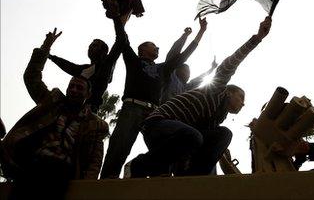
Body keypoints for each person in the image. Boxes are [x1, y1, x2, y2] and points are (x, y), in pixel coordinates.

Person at [129, 16, 272, 178]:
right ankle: (139, 165)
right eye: (241, 97)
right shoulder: (218, 89)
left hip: (176, 140)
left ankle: (191, 178)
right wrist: (257, 38)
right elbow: (230, 64)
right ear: (229, 92)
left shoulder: (216, 117)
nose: (243, 103)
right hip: (158, 125)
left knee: (223, 134)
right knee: (195, 136)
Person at [1, 28, 109, 199]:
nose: (73, 90)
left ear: (88, 95)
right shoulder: (52, 103)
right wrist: (46, 49)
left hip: (62, 171)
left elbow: (95, 161)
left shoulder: (95, 124)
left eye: (79, 88)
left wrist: (87, 189)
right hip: (33, 164)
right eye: (71, 86)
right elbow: (32, 77)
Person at [100, 18, 208, 179]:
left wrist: (201, 32)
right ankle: (106, 184)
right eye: (153, 45)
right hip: (132, 108)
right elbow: (122, 39)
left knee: (162, 148)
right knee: (119, 147)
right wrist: (118, 19)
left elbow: (185, 55)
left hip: (154, 114)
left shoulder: (163, 68)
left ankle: (159, 181)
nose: (157, 47)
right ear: (142, 49)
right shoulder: (134, 61)